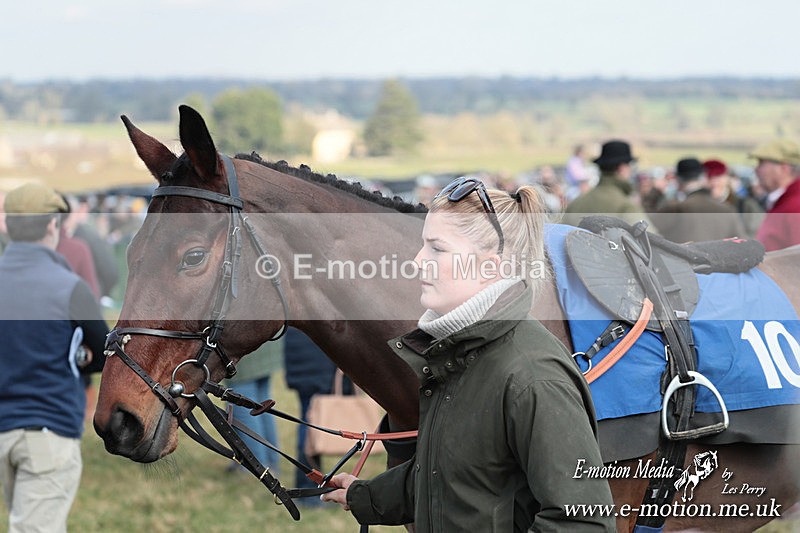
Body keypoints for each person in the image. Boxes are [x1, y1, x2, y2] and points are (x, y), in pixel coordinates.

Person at [321, 177, 615, 531]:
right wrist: (366, 496)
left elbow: (582, 523)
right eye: (423, 245)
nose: (418, 260)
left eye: (437, 249)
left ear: (490, 267)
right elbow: (451, 476)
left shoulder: (533, 377)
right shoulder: (456, 356)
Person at [0, 183, 109, 533]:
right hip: (47, 430)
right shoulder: (69, 286)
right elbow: (103, 352)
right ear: (52, 225)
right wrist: (80, 357)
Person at [283, 327, 351, 505]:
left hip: (306, 365)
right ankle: (309, 491)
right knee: (309, 431)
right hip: (317, 370)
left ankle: (310, 487)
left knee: (308, 426)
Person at [563, 139, 658, 233]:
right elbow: (650, 239)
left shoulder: (575, 205)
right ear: (622, 168)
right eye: (630, 166)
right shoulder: (625, 206)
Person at [223, 338, 284, 475]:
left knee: (243, 410)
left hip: (244, 351)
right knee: (262, 405)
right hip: (264, 346)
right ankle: (270, 462)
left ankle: (256, 467)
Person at [653, 157, 745, 243]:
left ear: (677, 180)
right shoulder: (727, 209)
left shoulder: (674, 208)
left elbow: (652, 237)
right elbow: (742, 243)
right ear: (703, 178)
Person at [749, 139, 800, 251]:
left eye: (761, 163)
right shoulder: (785, 202)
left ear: (784, 168)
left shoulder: (794, 207)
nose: (756, 169)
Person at [704, 158, 765, 239]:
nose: (714, 183)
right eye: (709, 178)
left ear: (726, 178)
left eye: (718, 177)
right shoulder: (697, 207)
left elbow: (756, 235)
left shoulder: (746, 205)